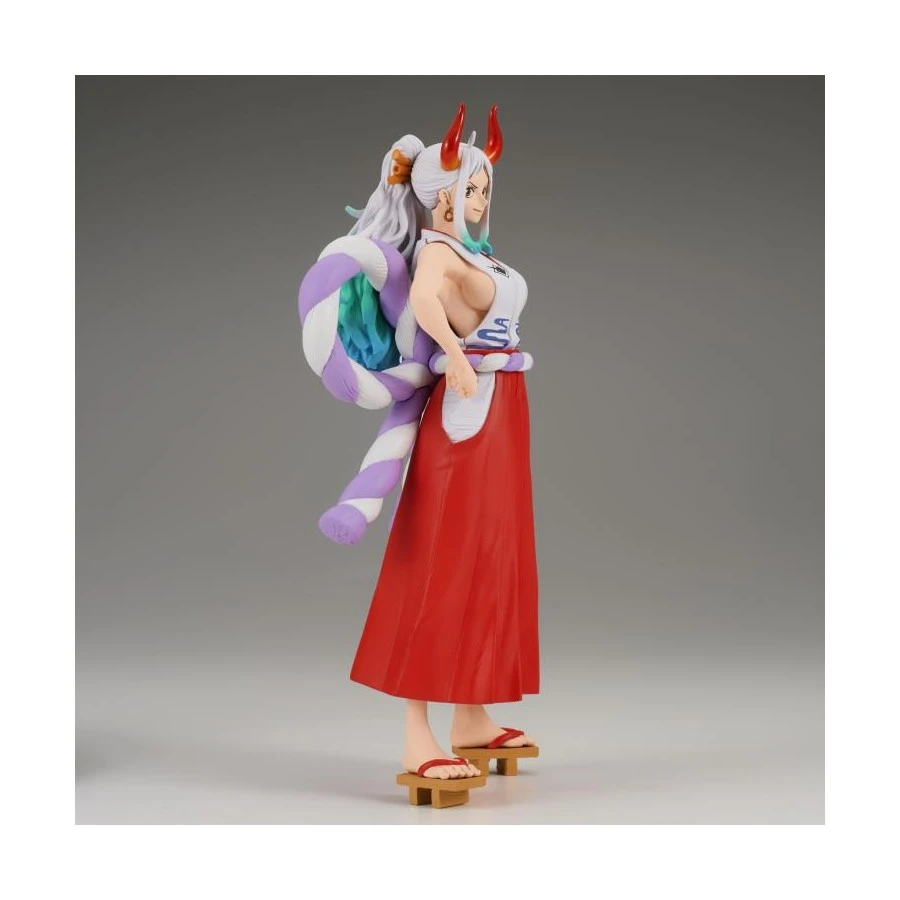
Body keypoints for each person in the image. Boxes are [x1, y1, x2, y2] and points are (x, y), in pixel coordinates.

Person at [305, 103, 539, 782]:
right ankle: (417, 733)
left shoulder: (475, 253)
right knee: (442, 560)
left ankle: (471, 716)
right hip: (465, 414)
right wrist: (455, 357)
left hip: (502, 409)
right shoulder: (438, 250)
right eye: (470, 188)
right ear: (441, 196)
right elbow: (429, 301)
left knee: (493, 557)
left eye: (485, 188)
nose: (480, 200)